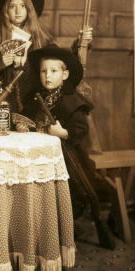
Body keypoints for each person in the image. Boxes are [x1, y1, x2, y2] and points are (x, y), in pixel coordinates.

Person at [0, 0, 92, 120]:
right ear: (6, 10)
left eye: (23, 6)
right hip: (2, 104)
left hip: (34, 102)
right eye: (12, 6)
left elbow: (60, 61)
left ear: (29, 9)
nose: (18, 11)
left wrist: (80, 44)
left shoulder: (40, 37)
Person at [22, 44, 103, 222]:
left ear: (64, 75)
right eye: (43, 71)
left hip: (67, 156)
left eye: (53, 71)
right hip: (38, 155)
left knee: (70, 190)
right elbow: (26, 118)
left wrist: (64, 132)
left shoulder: (71, 100)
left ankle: (64, 225)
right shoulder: (36, 97)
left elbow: (80, 129)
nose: (48, 76)